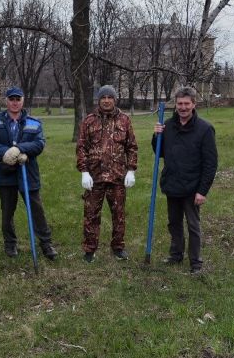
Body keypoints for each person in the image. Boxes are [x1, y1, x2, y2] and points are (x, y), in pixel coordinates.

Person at [0, 87, 57, 260]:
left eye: (18, 99)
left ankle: (46, 244)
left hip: (28, 172)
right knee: (7, 212)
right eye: (11, 99)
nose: (15, 102)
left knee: (36, 210)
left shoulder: (34, 122)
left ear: (23, 101)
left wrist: (19, 148)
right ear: (6, 101)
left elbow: (39, 143)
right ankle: (10, 244)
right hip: (5, 173)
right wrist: (7, 153)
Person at [153, 86, 217, 273]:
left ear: (194, 104)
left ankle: (196, 263)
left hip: (192, 187)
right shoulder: (168, 126)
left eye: (186, 104)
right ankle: (176, 255)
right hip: (172, 184)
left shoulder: (205, 129)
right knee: (174, 224)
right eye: (179, 103)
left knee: (193, 225)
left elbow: (210, 163)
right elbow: (160, 152)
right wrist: (156, 136)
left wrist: (202, 191)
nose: (182, 107)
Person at [76, 85, 138, 261]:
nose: (106, 100)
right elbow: (81, 147)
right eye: (103, 97)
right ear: (99, 100)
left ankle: (118, 247)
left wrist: (131, 170)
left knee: (118, 214)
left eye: (110, 97)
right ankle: (89, 249)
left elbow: (131, 147)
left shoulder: (124, 120)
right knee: (91, 215)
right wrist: (84, 171)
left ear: (115, 99)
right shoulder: (89, 120)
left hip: (118, 176)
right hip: (94, 178)